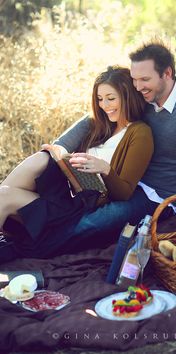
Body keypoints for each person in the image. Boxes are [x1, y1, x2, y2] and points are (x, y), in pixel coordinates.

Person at [44, 39, 176, 252]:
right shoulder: (143, 94)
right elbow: (98, 116)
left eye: (145, 79)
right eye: (134, 79)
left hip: (159, 196)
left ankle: (20, 250)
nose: (137, 86)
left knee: (94, 224)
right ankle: (24, 235)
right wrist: (61, 145)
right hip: (124, 179)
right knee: (67, 207)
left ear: (167, 73)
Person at [0, 66, 154, 262]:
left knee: (4, 195)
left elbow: (124, 193)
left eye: (111, 98)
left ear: (127, 96)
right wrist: (61, 157)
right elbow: (64, 146)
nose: (105, 105)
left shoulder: (140, 133)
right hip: (66, 191)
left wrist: (105, 169)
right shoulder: (101, 125)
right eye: (100, 99)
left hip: (81, 207)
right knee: (41, 159)